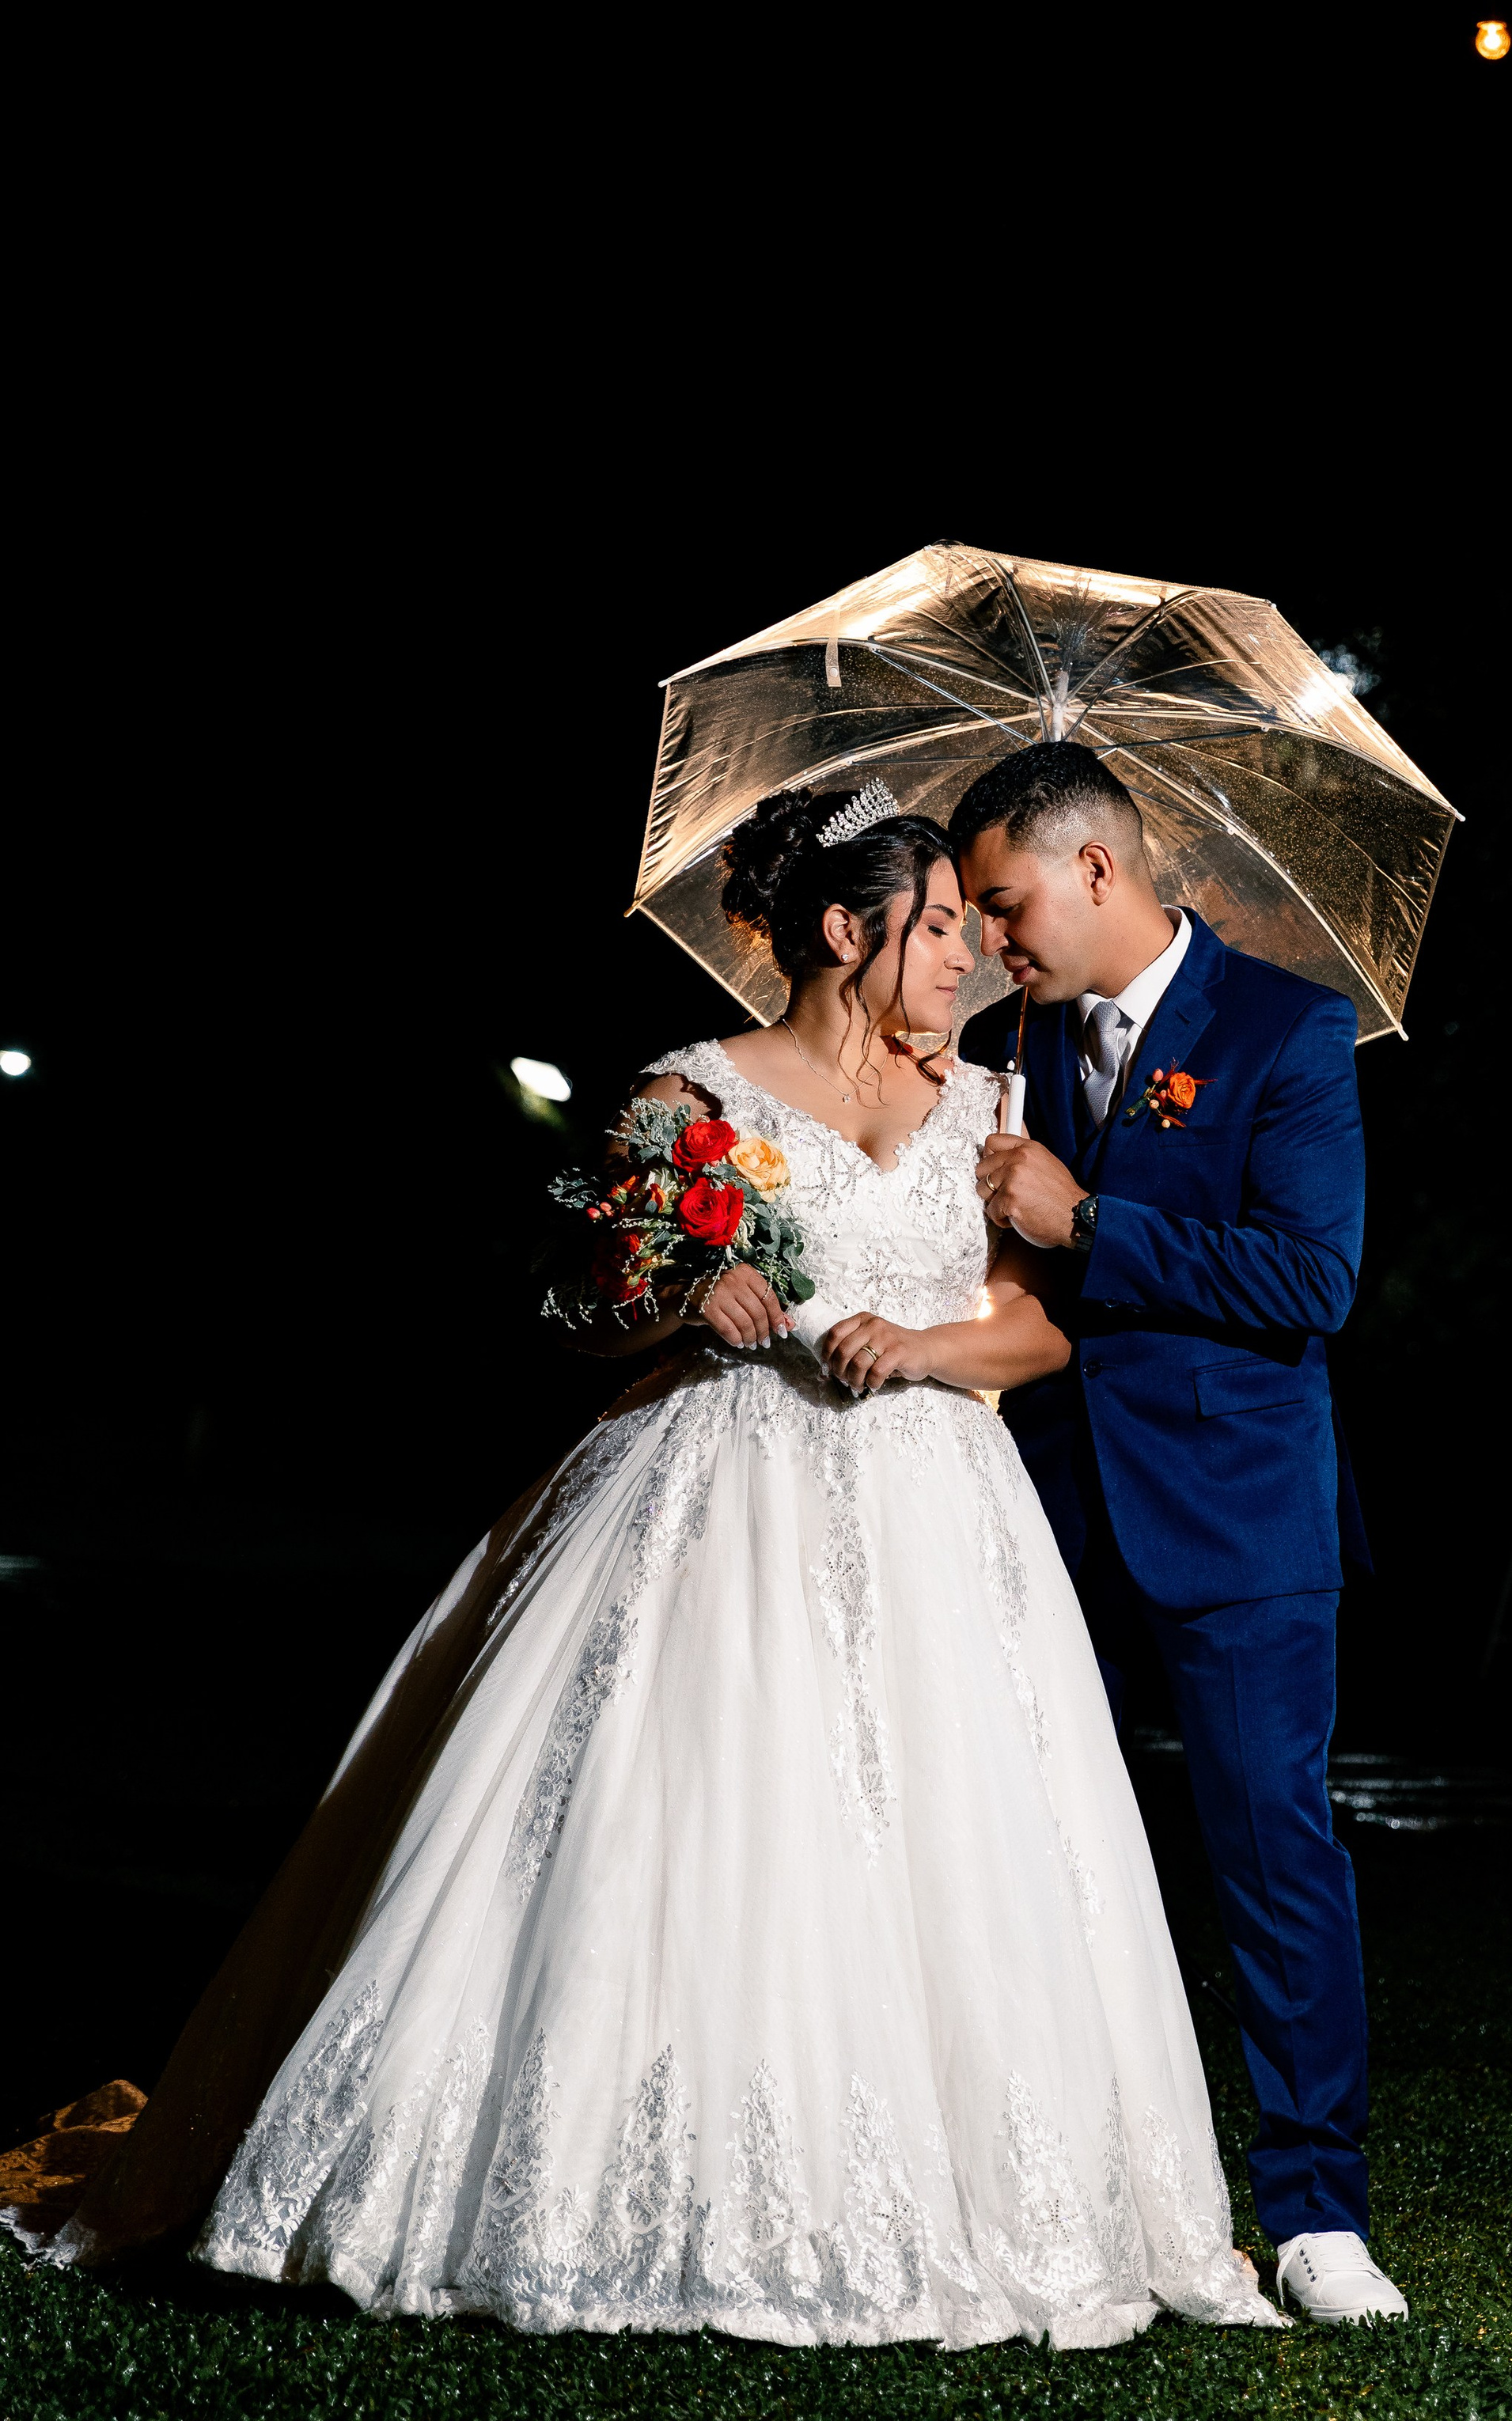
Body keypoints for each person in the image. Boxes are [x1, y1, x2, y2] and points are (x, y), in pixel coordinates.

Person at [11, 781, 1281, 2353]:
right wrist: (690, 1298)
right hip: (709, 1496)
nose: (966, 959)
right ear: (843, 929)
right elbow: (577, 1310)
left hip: (935, 1514)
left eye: (973, 927)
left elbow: (1036, 1327)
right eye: (940, 927)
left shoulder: (986, 1107)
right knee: (668, 1822)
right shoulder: (692, 1098)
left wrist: (929, 1341)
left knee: (947, 1845)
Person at [953, 742, 1409, 2327]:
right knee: (1033, 1850)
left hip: (1237, 1515)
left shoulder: (1285, 1028)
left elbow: (1307, 1284)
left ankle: (1314, 2211)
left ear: (1093, 868)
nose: (990, 941)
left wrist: (1082, 1220)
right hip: (1043, 1502)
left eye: (1004, 905)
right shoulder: (1010, 1035)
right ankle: (1054, 2185)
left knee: (1270, 1854)